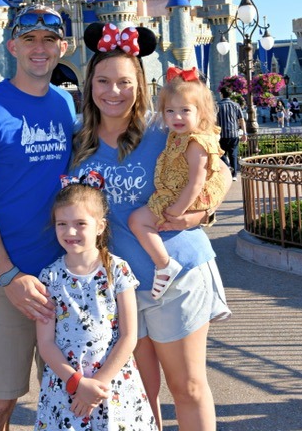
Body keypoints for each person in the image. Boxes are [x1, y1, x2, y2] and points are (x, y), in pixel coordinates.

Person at [70, 22, 231, 431]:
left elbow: (220, 172)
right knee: (137, 396)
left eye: (125, 81)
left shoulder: (165, 129)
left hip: (176, 274)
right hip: (119, 288)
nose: (113, 91)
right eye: (103, 81)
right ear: (90, 85)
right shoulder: (78, 145)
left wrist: (198, 214)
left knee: (188, 387)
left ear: (140, 85)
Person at [0, 5, 76, 431]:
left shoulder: (66, 104)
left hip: (65, 278)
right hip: (5, 279)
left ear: (65, 46)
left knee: (66, 399)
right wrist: (10, 277)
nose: (39, 49)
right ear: (12, 46)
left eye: (49, 40)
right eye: (29, 40)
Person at [34, 175, 157, 431]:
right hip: (67, 386)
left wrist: (97, 385)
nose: (70, 232)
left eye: (80, 223)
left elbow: (129, 336)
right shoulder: (50, 277)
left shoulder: (118, 270)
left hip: (112, 384)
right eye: (62, 224)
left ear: (100, 226)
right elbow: (45, 343)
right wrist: (78, 384)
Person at [128, 67, 226, 301]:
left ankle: (164, 265)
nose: (176, 117)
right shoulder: (175, 136)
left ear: (201, 113)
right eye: (170, 111)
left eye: (185, 110)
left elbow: (197, 181)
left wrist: (178, 211)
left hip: (177, 199)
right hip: (173, 195)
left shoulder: (195, 143)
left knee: (137, 221)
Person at [217, 87, 247, 181]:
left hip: (221, 135)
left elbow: (214, 121)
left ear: (221, 94)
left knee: (220, 153)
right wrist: (244, 133)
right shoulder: (236, 105)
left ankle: (227, 166)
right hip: (234, 134)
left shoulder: (217, 106)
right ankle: (234, 175)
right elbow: (241, 120)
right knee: (233, 154)